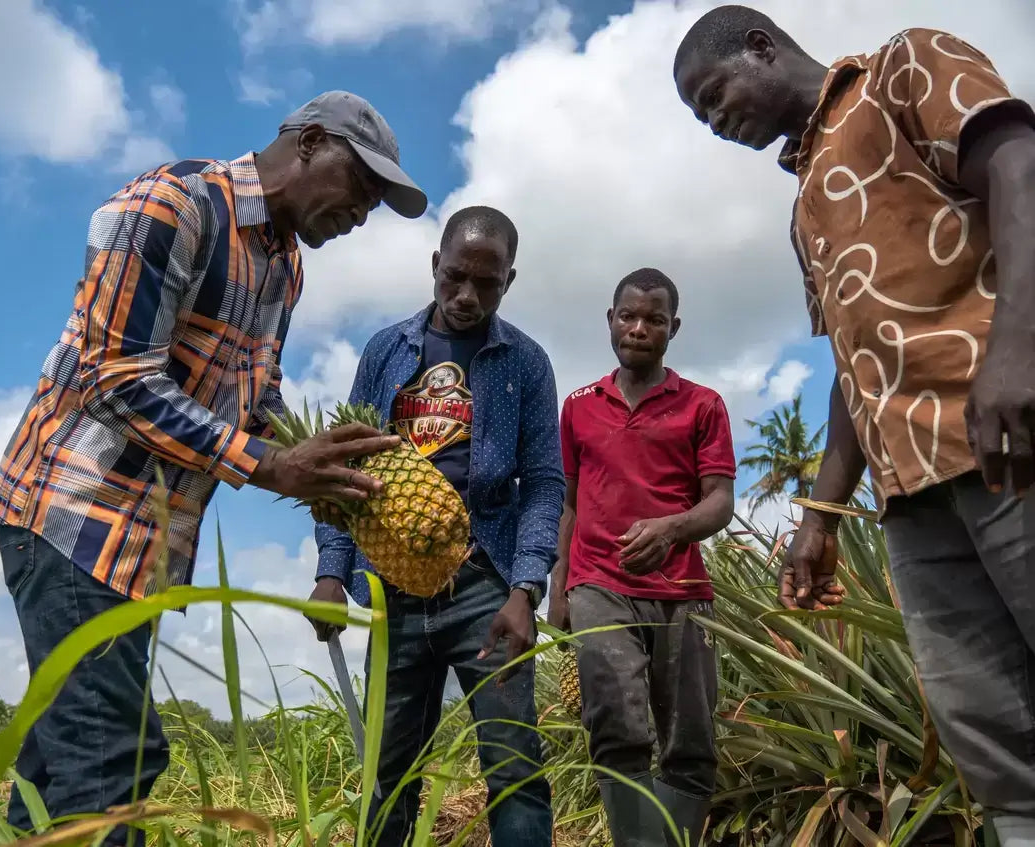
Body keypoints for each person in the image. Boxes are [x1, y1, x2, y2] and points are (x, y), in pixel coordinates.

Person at [0, 90, 427, 845]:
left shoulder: (285, 266)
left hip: (143, 545)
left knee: (62, 763)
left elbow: (254, 395)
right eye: (361, 185)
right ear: (310, 142)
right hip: (74, 514)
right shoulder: (173, 206)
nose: (362, 213)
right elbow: (115, 377)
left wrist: (319, 462)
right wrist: (271, 464)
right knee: (112, 759)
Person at [673, 6, 1035, 842]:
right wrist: (820, 518)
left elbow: (1019, 164)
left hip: (1006, 439)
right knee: (996, 739)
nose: (714, 123)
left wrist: (1017, 349)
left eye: (714, 95)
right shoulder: (805, 204)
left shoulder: (904, 69)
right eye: (700, 116)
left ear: (761, 48)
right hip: (912, 497)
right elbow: (850, 364)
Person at [305, 205, 565, 847]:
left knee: (513, 768)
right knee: (388, 776)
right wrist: (331, 571)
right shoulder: (385, 351)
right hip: (392, 587)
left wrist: (525, 588)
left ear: (509, 281)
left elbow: (544, 483)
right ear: (434, 266)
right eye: (455, 276)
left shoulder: (526, 362)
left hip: (484, 585)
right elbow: (346, 467)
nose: (467, 295)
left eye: (488, 283)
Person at [546, 268, 736, 847]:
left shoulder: (703, 405)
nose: (638, 328)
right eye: (628, 316)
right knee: (617, 722)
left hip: (682, 593)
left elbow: (720, 502)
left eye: (654, 319)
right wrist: (559, 586)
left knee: (691, 742)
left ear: (672, 328)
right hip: (598, 583)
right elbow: (568, 503)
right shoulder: (579, 406)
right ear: (610, 320)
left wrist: (672, 528)